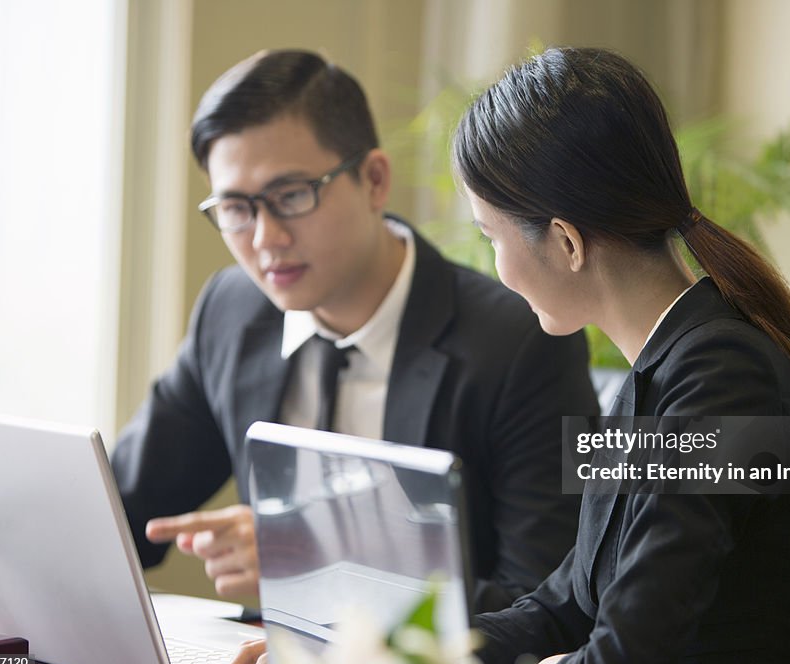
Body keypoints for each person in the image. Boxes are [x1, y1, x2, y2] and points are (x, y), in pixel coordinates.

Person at [446, 48, 790, 664]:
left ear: (565, 242)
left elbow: (626, 660)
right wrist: (386, 657)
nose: (495, 268)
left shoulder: (719, 375)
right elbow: (565, 604)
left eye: (492, 237)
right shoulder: (658, 378)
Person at [110, 49, 599, 616]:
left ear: (373, 180)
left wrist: (319, 562)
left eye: (292, 196)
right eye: (236, 208)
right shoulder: (232, 311)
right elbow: (124, 509)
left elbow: (546, 603)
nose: (265, 239)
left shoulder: (517, 341)